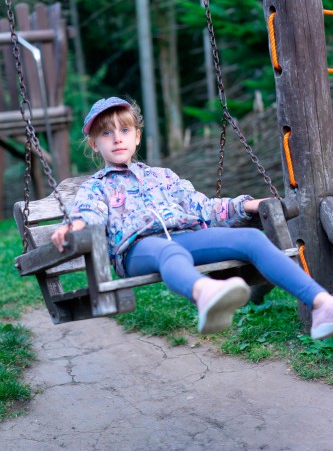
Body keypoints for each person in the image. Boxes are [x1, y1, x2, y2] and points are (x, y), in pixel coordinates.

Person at [52, 96, 333, 340]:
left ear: (137, 136)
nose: (117, 138)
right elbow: (89, 214)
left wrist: (247, 205)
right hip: (137, 249)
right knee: (168, 250)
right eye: (106, 134)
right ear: (93, 144)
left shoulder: (163, 177)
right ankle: (206, 295)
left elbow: (203, 207)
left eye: (124, 130)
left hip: (185, 236)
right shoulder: (96, 186)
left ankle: (321, 303)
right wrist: (74, 226)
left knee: (251, 237)